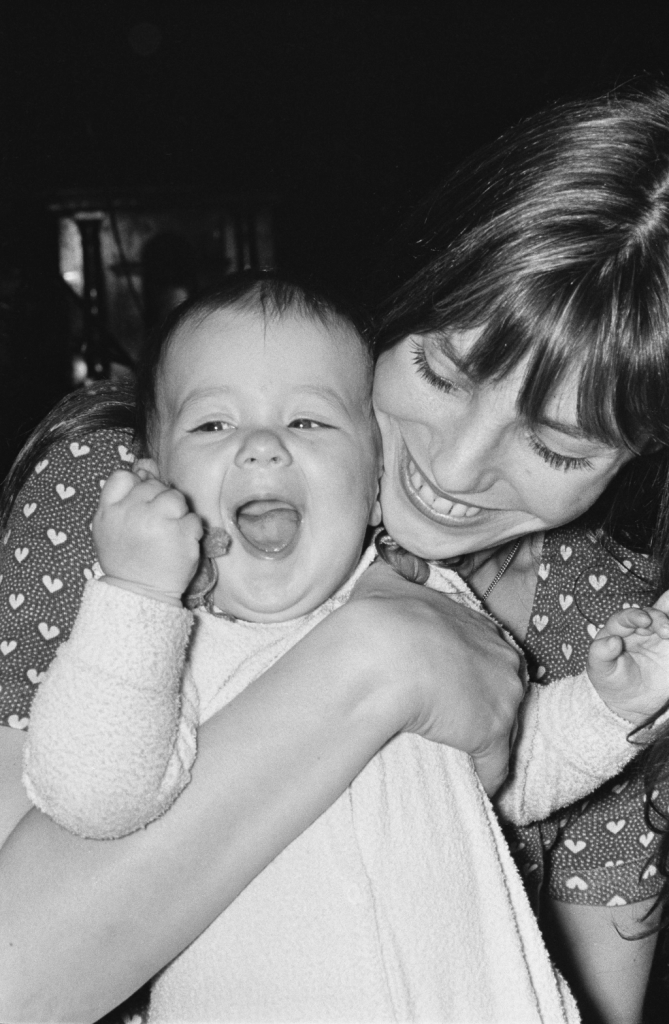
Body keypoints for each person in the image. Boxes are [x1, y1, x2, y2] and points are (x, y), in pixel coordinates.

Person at [2, 86, 669, 1023]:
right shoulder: (136, 511)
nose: (456, 466)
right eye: (440, 371)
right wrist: (380, 662)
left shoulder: (606, 613)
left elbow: (596, 990)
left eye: (557, 446)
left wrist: (615, 709)